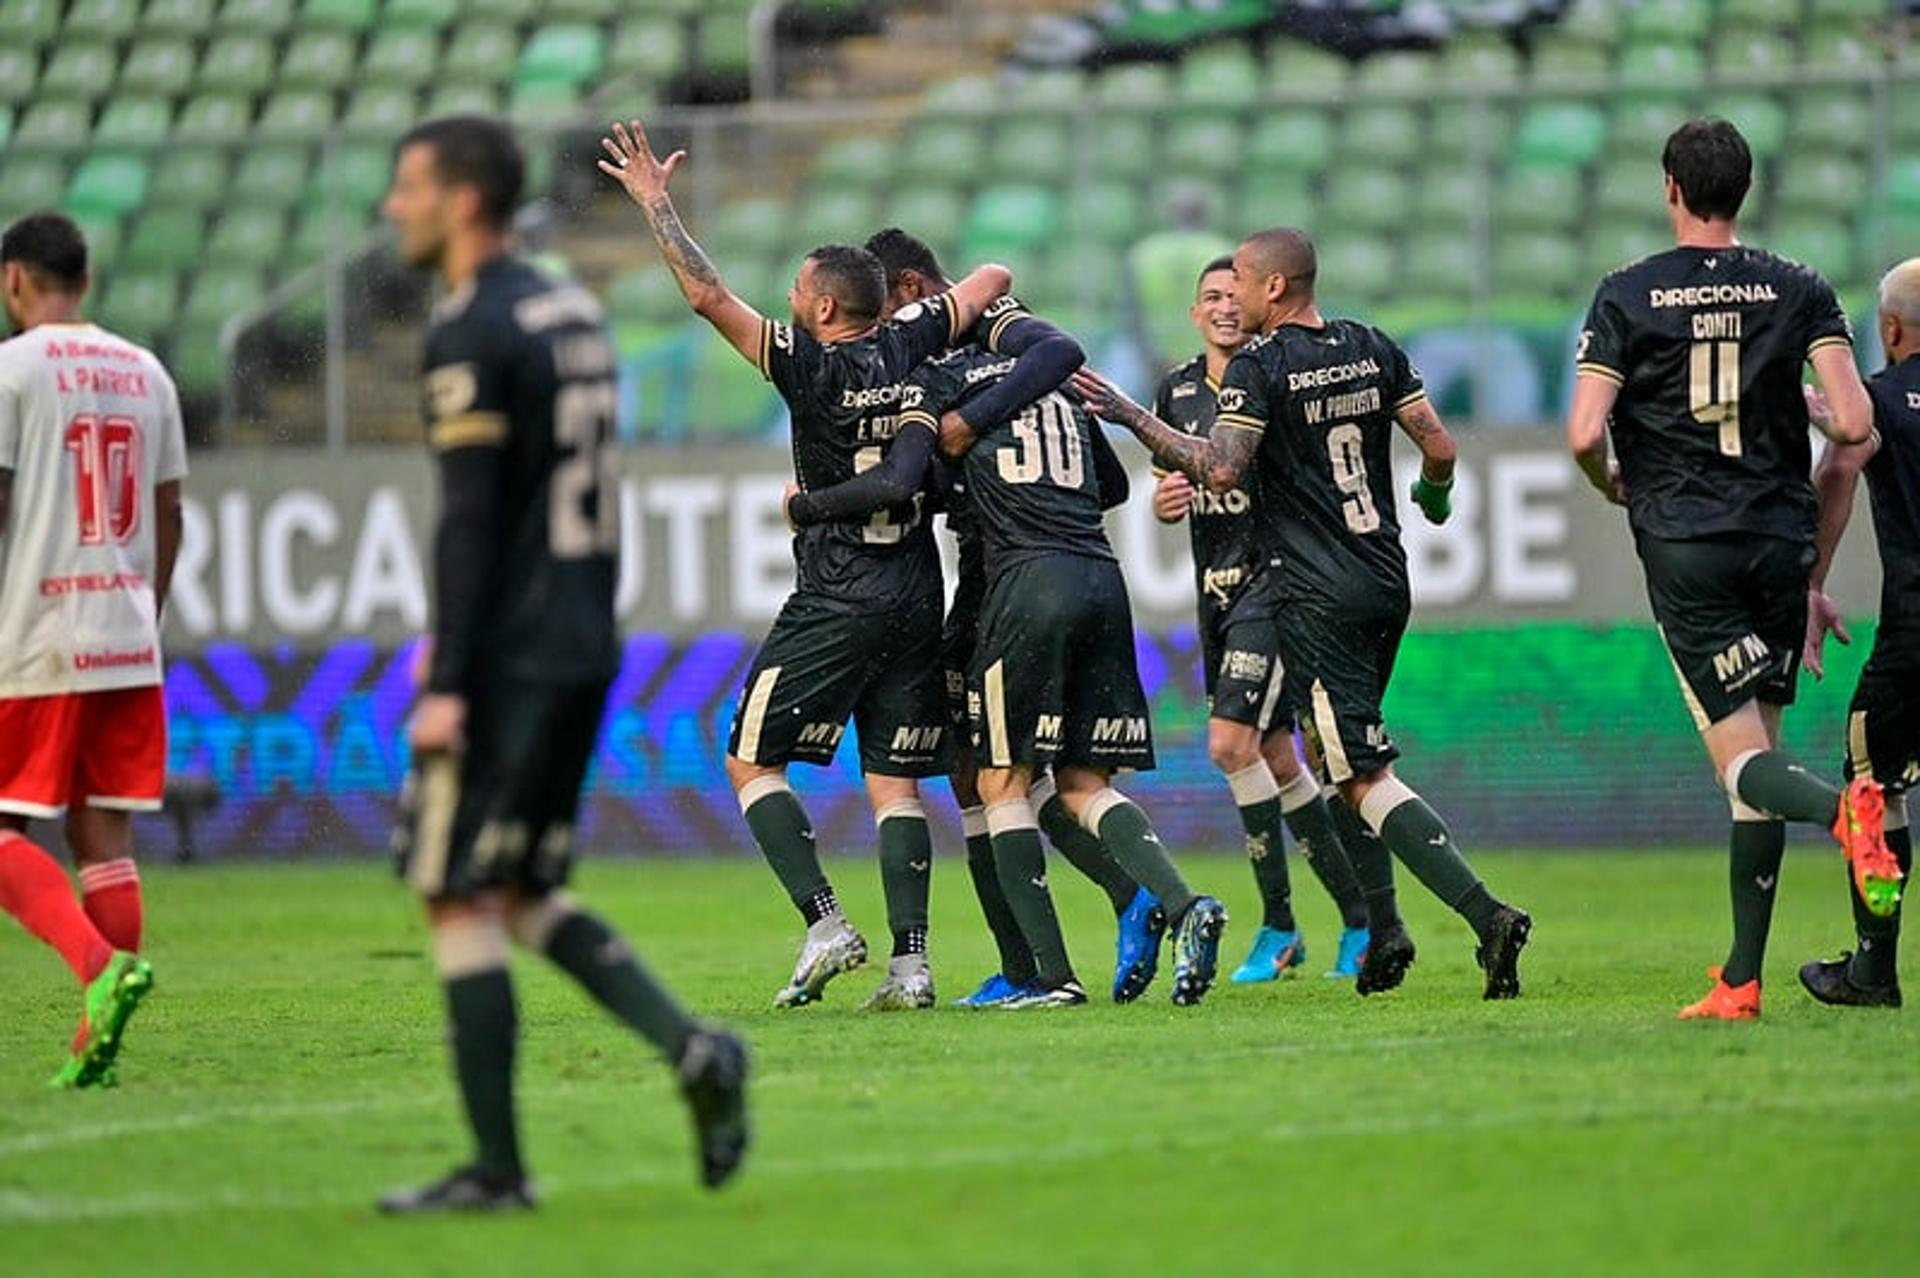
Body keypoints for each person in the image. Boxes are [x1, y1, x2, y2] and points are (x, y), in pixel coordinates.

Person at [380, 116, 746, 1214]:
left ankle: (497, 1171)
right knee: (520, 887)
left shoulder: (474, 326)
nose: (393, 207)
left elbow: (471, 519)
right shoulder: (569, 311)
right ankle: (691, 1048)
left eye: (408, 187)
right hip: (585, 635)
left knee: (453, 891)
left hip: (511, 653)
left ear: (463, 201)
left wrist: (447, 681)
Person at [600, 122, 1015, 1011]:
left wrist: (656, 204)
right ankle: (912, 965)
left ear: (824, 309)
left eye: (796, 291)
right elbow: (990, 281)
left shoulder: (807, 365)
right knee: (894, 778)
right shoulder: (908, 347)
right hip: (915, 588)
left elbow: (708, 294)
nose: (788, 302)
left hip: (837, 591)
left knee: (751, 759)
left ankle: (825, 920)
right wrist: (919, 315)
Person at [1075, 226, 1533, 1000]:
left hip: (1314, 590)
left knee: (1357, 771)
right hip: (1385, 573)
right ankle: (1382, 928)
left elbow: (1220, 465)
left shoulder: (1260, 365)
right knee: (1332, 758)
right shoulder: (1370, 345)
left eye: (1245, 286)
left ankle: (1486, 915)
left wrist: (1129, 415)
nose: (1237, 301)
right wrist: (1433, 498)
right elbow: (1441, 448)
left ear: (1274, 289)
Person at [1565, 118, 1898, 1021]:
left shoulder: (1626, 295)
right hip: (1779, 541)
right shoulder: (1799, 286)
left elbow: (1586, 432)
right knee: (1762, 750)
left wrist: (1612, 485)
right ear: (1742, 190)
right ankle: (1741, 979)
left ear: (1670, 186)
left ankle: (1846, 815)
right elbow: (1855, 422)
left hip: (1688, 541)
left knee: (1741, 762)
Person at [791, 227, 1164, 1007]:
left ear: (917, 293)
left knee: (1015, 774)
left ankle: (1113, 917)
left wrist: (963, 434)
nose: (885, 336)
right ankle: (1022, 964)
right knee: (977, 773)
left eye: (892, 314)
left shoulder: (990, 335)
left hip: (1014, 579)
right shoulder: (918, 366)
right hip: (980, 581)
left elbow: (1058, 351)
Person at [904, 349, 1231, 1008]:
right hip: (1099, 575)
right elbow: (1111, 485)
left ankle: (1045, 976)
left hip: (1016, 583)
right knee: (1079, 780)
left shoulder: (940, 382)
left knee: (999, 781)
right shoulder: (1047, 378)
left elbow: (913, 476)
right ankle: (1172, 901)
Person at [1149, 255, 1372, 983]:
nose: (1221, 306)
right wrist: (1162, 501)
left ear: (1252, 303)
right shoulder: (1176, 388)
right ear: (1193, 312)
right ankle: (1355, 919)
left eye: (1230, 295)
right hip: (1215, 591)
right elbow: (1165, 482)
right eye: (1207, 296)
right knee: (1277, 758)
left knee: (1227, 745)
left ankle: (1279, 925)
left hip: (1272, 585)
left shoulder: (1272, 375)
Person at [0, 211, 175, 1088]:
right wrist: (151, 610)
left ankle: (98, 969)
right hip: (127, 633)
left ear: (13, 281)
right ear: (88, 282)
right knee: (102, 833)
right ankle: (93, 1048)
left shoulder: (11, 370)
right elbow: (172, 511)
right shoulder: (146, 371)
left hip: (37, 632)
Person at [1799, 256, 1920, 1009]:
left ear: (1891, 328)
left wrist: (1809, 582)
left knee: (1873, 786)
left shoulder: (1880, 401)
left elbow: (1842, 468)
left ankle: (1873, 970)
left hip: (1915, 634)